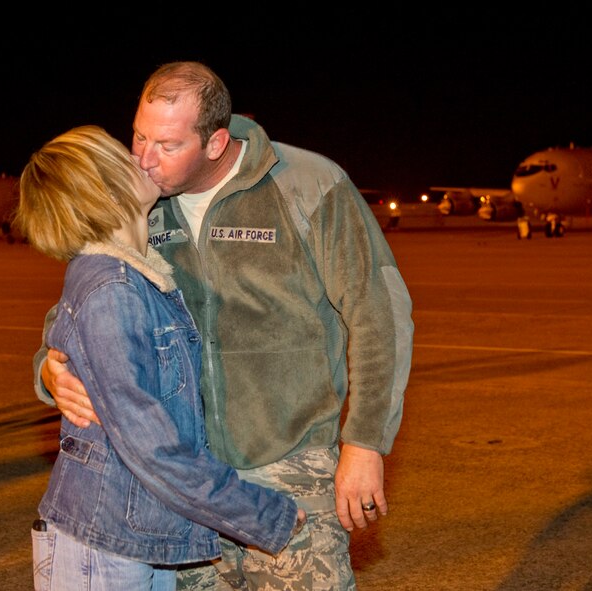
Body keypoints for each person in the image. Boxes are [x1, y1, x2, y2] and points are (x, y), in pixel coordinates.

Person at [36, 61, 414, 590]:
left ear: (215, 142)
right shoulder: (138, 205)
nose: (144, 159)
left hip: (291, 468)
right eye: (139, 136)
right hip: (186, 483)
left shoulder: (308, 185)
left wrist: (365, 442)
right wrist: (50, 374)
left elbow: (380, 314)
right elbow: (73, 320)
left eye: (167, 145)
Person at [17, 125, 305, 591]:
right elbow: (150, 446)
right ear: (105, 192)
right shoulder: (112, 289)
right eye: (125, 159)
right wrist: (262, 515)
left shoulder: (137, 277)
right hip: (105, 544)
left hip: (131, 539)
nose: (143, 159)